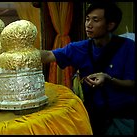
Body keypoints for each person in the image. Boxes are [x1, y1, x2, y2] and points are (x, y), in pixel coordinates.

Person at [40, 2, 135, 135]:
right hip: (91, 116)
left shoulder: (129, 47)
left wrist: (108, 79)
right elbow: (49, 55)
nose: (88, 24)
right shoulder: (80, 48)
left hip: (122, 116)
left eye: (95, 20)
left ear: (110, 25)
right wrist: (23, 53)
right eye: (87, 19)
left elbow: (132, 84)